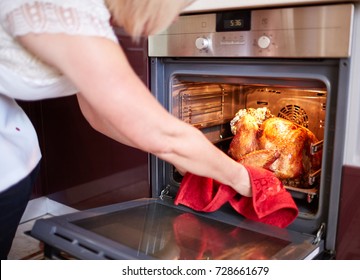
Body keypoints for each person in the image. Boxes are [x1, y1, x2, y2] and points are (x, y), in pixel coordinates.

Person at [0, 0, 252, 259]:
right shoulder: (65, 11)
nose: (176, 18)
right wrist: (245, 179)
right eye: (178, 6)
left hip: (18, 158)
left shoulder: (90, 18)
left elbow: (101, 115)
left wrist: (178, 158)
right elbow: (163, 133)